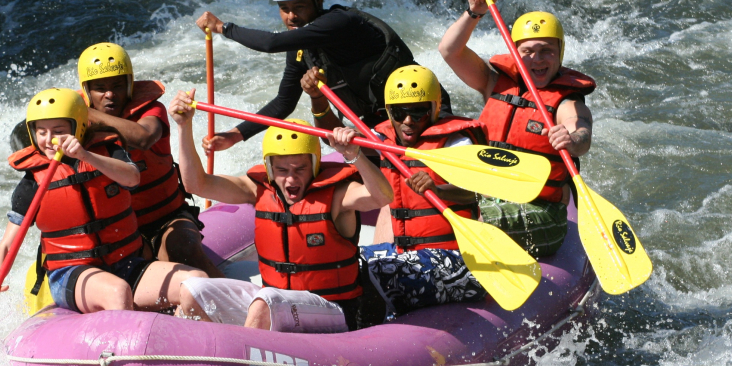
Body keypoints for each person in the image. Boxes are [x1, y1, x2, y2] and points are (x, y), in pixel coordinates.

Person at [169, 89, 393, 332]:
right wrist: (184, 126)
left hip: (334, 308)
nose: (291, 179)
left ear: (314, 165)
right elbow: (196, 184)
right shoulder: (256, 190)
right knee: (193, 290)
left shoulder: (339, 195)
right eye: (282, 170)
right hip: (277, 301)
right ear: (269, 168)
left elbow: (383, 196)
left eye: (300, 169)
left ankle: (245, 354)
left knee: (266, 302)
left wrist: (354, 155)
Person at [0, 88, 207, 315]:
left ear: (79, 128)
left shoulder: (108, 152)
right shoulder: (31, 183)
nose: (49, 140)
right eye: (41, 132)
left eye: (58, 131)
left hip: (126, 263)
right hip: (71, 273)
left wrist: (85, 155)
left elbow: (132, 178)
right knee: (118, 292)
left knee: (196, 283)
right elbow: (7, 245)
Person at [194, 0, 454, 155]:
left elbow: (272, 43)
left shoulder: (340, 22)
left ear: (317, 3)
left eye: (299, 6)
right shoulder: (302, 48)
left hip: (421, 115)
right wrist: (234, 135)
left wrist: (223, 28)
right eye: (284, 8)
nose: (291, 16)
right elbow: (283, 103)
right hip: (380, 126)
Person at [439, 5, 595, 257]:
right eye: (527, 51)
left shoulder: (567, 102)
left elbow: (581, 132)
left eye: (546, 50)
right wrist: (474, 12)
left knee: (480, 220)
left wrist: (571, 139)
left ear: (560, 53)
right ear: (515, 53)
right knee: (424, 203)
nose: (537, 59)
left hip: (541, 211)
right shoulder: (493, 84)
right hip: (487, 196)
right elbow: (449, 51)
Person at [76, 42, 224, 278]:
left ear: (129, 85)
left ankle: (232, 298)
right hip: (118, 230)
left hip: (166, 220)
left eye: (117, 86)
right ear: (87, 92)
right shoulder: (75, 126)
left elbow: (144, 138)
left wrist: (87, 113)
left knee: (182, 249)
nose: (110, 94)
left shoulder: (152, 110)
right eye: (100, 88)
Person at [360, 66, 488, 321]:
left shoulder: (457, 143)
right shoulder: (383, 139)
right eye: (399, 112)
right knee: (350, 265)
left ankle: (374, 329)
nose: (408, 120)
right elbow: (335, 137)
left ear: (435, 109)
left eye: (418, 112)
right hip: (406, 255)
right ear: (389, 112)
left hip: (459, 261)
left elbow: (477, 192)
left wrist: (438, 189)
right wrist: (320, 105)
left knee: (381, 271)